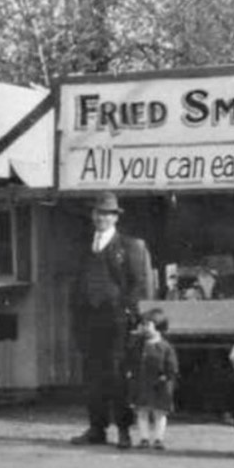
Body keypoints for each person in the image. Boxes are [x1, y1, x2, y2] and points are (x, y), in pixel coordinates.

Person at [69, 191, 149, 449]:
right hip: (88, 320)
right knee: (92, 376)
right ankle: (97, 428)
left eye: (107, 213)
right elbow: (77, 282)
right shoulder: (84, 244)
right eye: (98, 212)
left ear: (115, 217)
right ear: (92, 215)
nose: (101, 217)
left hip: (116, 322)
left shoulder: (128, 246)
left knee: (116, 376)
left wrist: (127, 314)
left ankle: (124, 430)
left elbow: (137, 285)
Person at [129, 308, 178, 450]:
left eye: (147, 325)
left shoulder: (165, 347)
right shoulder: (138, 344)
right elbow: (132, 360)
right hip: (142, 382)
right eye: (143, 325)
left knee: (159, 413)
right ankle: (144, 438)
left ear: (158, 327)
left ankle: (158, 438)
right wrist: (131, 372)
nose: (144, 328)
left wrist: (167, 376)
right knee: (142, 411)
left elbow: (172, 366)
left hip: (160, 384)